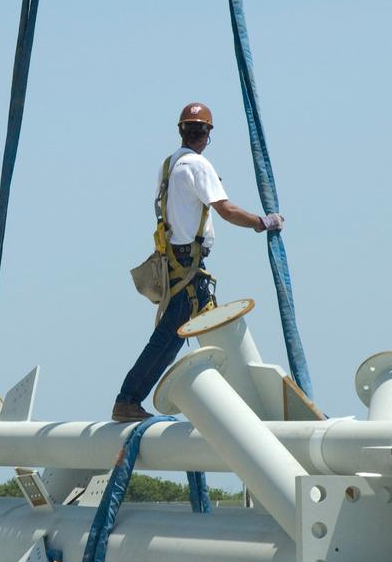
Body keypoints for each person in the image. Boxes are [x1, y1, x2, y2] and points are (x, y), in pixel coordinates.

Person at [111, 103, 284, 422]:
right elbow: (226, 210)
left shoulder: (169, 165)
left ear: (181, 131)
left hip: (178, 263)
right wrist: (262, 222)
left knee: (192, 336)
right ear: (207, 135)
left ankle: (238, 407)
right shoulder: (197, 166)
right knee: (172, 338)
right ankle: (128, 399)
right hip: (188, 267)